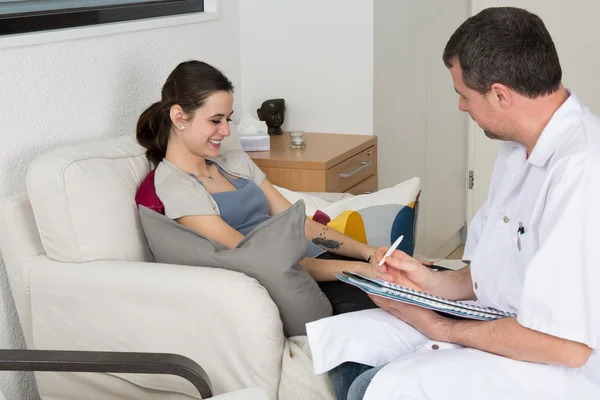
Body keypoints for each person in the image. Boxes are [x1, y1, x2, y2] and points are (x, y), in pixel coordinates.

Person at [306, 6, 600, 400]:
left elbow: (566, 345)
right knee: (347, 344)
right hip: (504, 322)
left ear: (500, 94)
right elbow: (489, 272)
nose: (461, 107)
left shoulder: (582, 171)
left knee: (374, 387)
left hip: (556, 365)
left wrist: (440, 328)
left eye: (464, 96)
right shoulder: (518, 150)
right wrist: (428, 283)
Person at [135, 60, 381, 314]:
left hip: (325, 263)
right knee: (400, 312)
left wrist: (368, 253)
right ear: (179, 117)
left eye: (228, 119)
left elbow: (298, 223)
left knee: (417, 286)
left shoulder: (234, 162)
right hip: (299, 281)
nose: (226, 131)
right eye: (215, 120)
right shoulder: (176, 187)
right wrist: (357, 270)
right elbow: (261, 261)